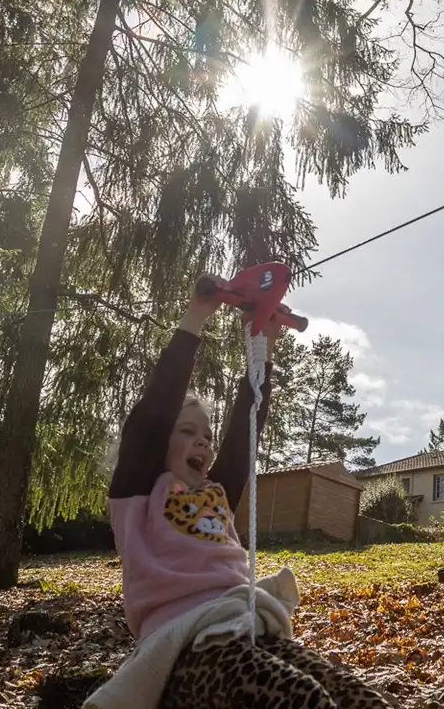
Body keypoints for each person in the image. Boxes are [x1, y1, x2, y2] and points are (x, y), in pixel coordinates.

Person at [101, 274, 391, 709]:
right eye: (187, 432)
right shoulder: (140, 491)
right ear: (160, 441)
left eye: (206, 435)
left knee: (355, 695)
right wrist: (196, 316)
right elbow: (152, 414)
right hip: (189, 650)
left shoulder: (216, 491)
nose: (203, 442)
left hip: (243, 625)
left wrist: (262, 343)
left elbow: (244, 430)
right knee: (302, 699)